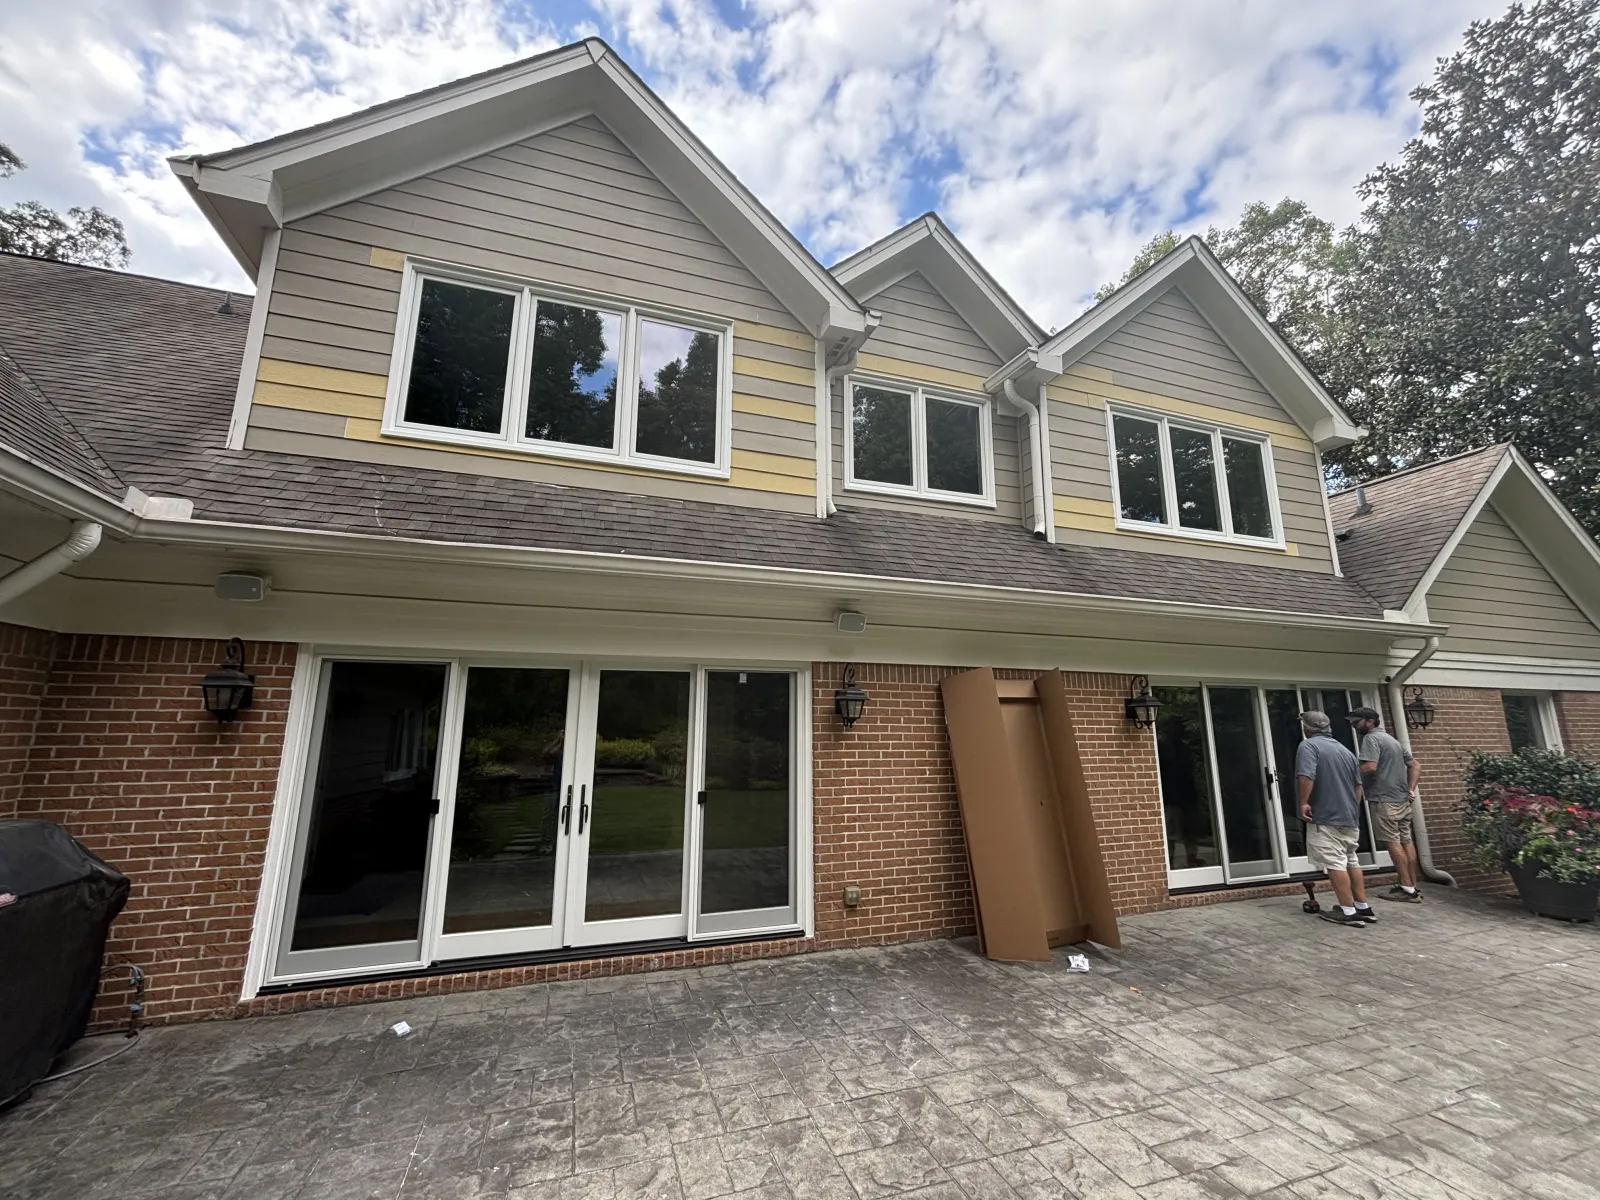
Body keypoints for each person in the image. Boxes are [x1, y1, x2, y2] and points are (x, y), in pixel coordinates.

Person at [1294, 711, 1376, 926]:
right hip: (1348, 816)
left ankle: (1348, 912)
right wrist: (1352, 808)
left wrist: (1304, 802)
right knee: (1351, 859)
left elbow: (1306, 776)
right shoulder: (1345, 750)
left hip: (1326, 816)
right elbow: (1358, 785)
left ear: (1307, 728)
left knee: (1335, 863)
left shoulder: (1308, 746)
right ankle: (1363, 907)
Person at [1350, 706, 1423, 903]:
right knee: (1406, 840)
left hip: (1384, 799)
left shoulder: (1371, 739)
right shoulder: (1392, 740)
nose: (1354, 726)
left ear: (1369, 722)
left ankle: (1407, 890)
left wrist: (1348, 772)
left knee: (1392, 841)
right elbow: (1415, 765)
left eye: (1356, 722)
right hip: (1401, 799)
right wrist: (1410, 789)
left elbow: (1370, 766)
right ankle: (1410, 885)